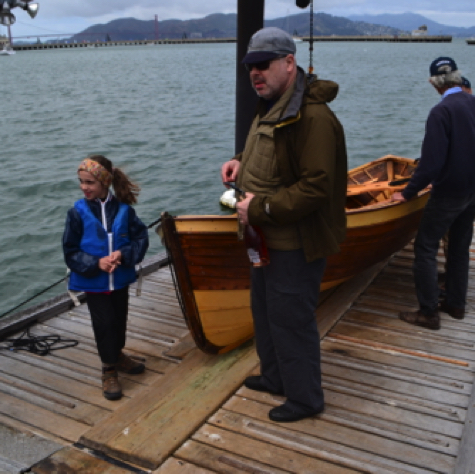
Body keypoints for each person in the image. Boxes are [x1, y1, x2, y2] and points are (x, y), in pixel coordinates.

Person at [221, 27, 347, 422]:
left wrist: (258, 210)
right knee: (265, 313)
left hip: (294, 244)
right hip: (266, 242)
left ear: (289, 63)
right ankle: (276, 377)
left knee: (292, 321)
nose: (255, 73)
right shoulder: (275, 103)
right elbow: (271, 147)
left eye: (263, 65)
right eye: (250, 67)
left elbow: (316, 188)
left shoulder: (312, 117)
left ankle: (306, 398)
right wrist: (241, 159)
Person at [392, 57, 475, 329]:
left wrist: (407, 193)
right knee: (460, 248)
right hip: (471, 191)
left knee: (425, 247)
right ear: (457, 77)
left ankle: (428, 312)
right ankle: (455, 304)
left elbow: (431, 164)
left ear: (434, 83)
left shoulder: (441, 112)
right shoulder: (472, 103)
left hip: (449, 193)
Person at [63, 155, 149, 400]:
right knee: (104, 324)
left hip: (119, 280)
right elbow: (70, 252)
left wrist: (123, 254)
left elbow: (140, 238)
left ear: (104, 182)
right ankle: (108, 369)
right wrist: (96, 262)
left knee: (119, 320)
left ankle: (118, 355)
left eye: (89, 182)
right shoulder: (76, 213)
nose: (84, 187)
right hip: (94, 283)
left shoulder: (125, 210)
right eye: (81, 181)